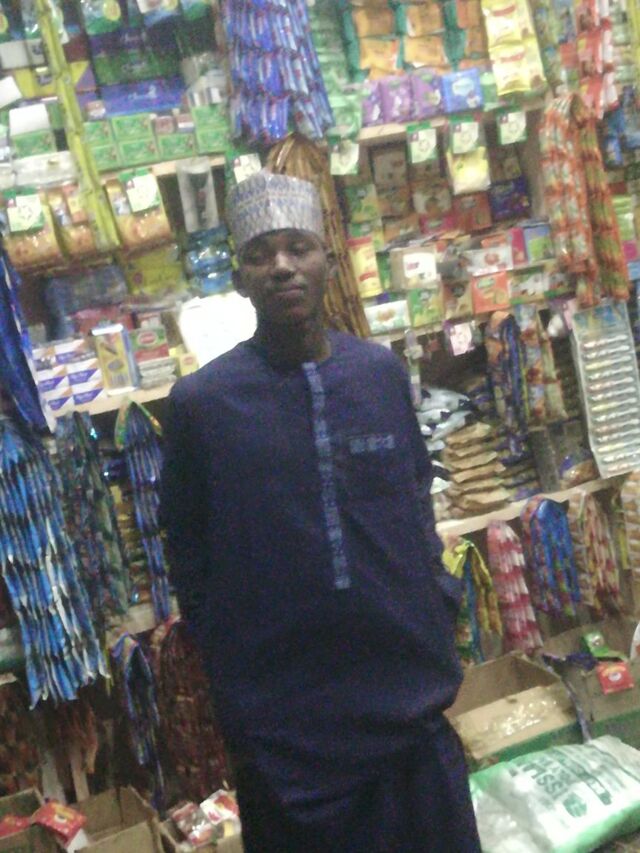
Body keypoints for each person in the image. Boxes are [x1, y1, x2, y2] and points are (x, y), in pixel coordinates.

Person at [160, 171, 481, 853]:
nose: (281, 266)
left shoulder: (378, 375)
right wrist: (235, 672)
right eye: (260, 255)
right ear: (240, 279)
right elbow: (188, 552)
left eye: (297, 247)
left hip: (408, 702)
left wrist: (437, 599)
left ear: (328, 262)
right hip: (289, 733)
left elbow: (415, 498)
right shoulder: (202, 405)